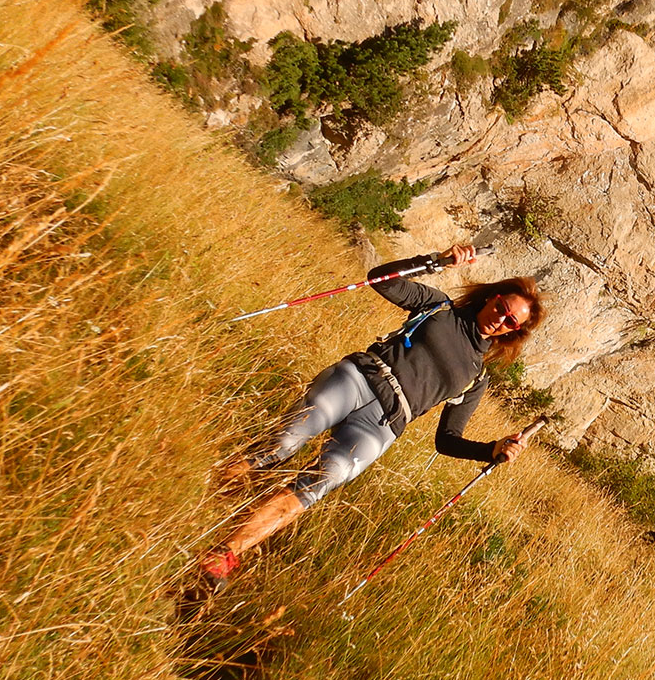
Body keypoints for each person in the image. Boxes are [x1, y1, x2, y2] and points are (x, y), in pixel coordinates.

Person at [195, 244, 543, 591]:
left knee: (320, 483)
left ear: (513, 332)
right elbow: (380, 279)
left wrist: (491, 449)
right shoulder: (438, 305)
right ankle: (201, 499)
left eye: (510, 321)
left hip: (385, 424)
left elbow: (446, 439)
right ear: (491, 297)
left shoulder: (476, 377)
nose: (500, 318)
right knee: (283, 442)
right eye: (501, 307)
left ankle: (223, 555)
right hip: (359, 378)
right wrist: (436, 262)